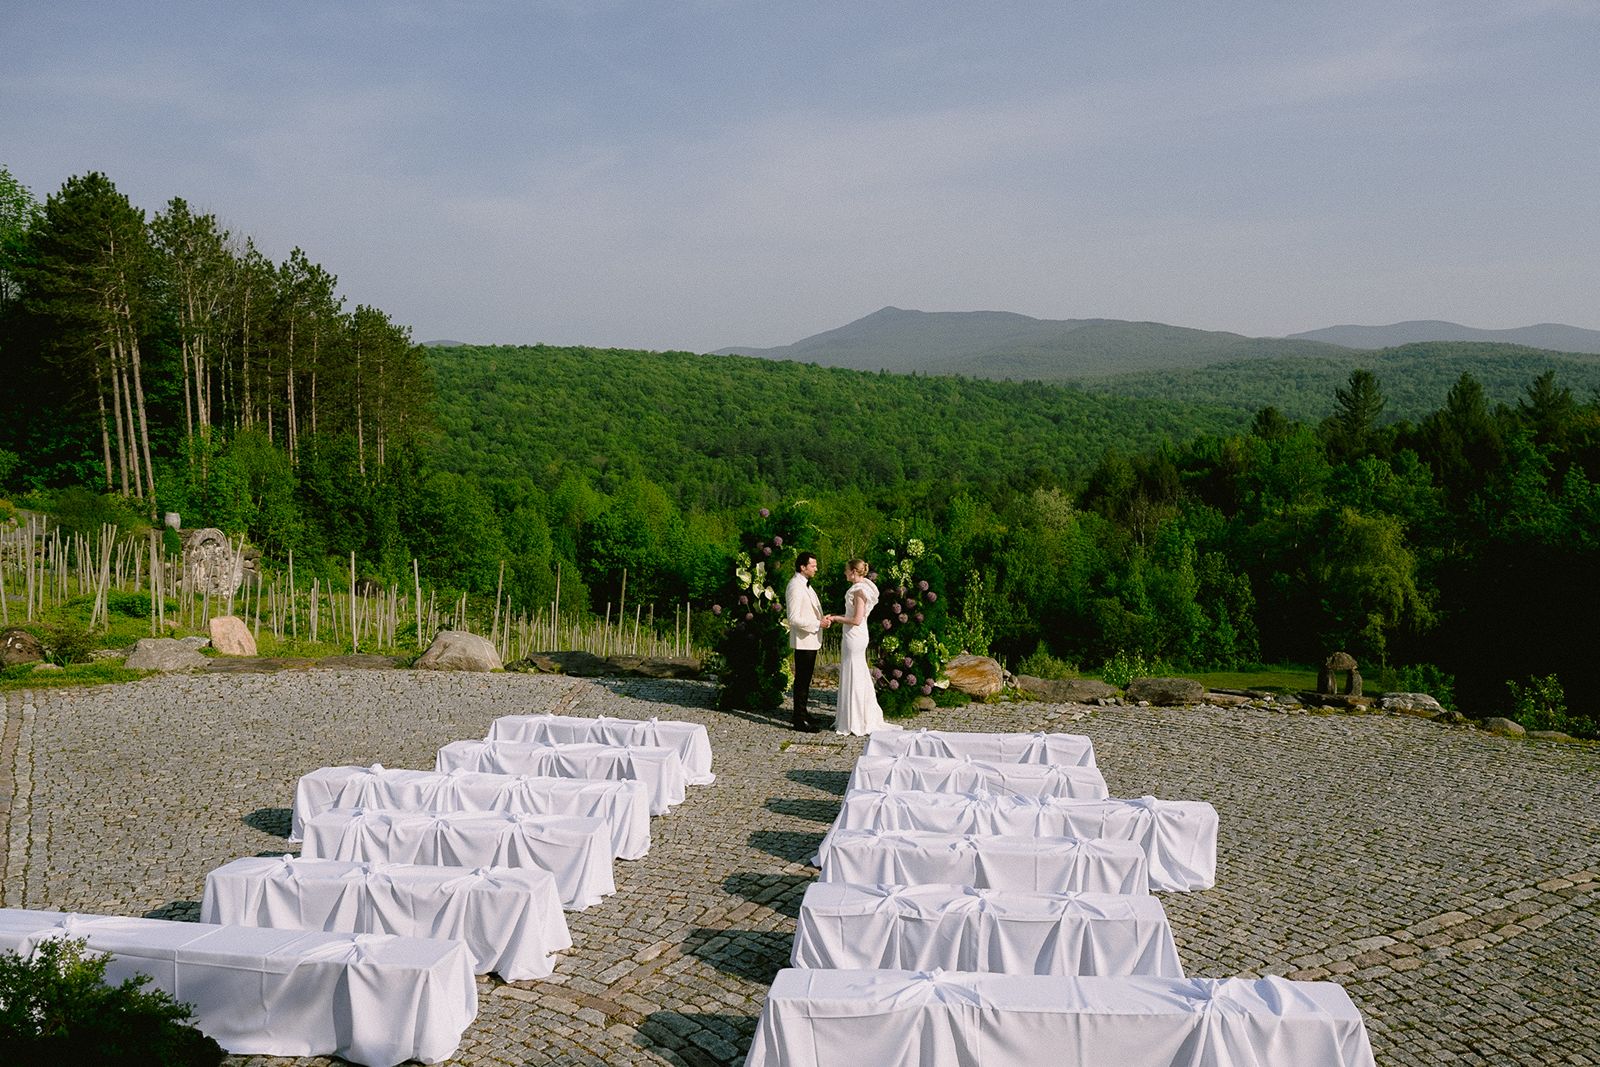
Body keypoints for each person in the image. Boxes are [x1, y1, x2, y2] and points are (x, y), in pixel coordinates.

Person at [823, 558, 896, 736]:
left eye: (847, 570)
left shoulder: (859, 591)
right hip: (856, 635)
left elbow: (856, 619)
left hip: (854, 635)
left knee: (854, 672)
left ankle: (856, 719)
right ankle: (853, 715)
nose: (845, 573)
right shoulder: (864, 587)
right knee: (856, 671)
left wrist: (835, 618)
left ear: (854, 572)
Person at [784, 551, 827, 732]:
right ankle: (799, 720)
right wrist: (818, 623)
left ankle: (802, 712)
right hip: (803, 640)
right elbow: (793, 619)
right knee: (801, 680)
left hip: (810, 639)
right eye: (813, 566)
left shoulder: (806, 586)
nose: (816, 569)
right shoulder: (795, 586)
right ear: (803, 567)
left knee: (806, 679)